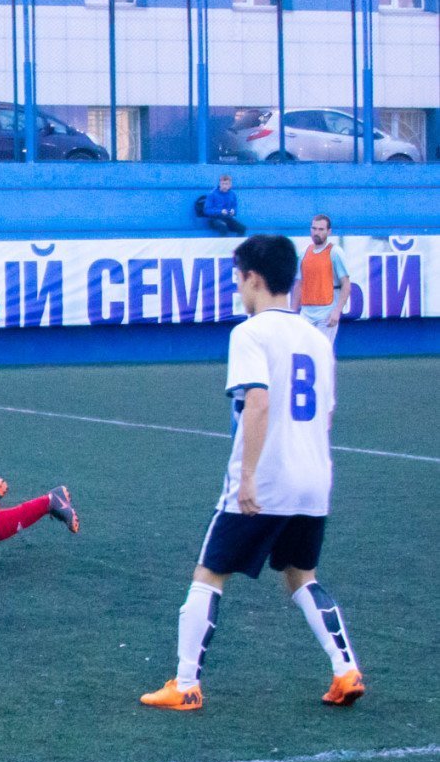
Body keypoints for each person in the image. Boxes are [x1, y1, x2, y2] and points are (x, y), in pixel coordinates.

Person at [141, 234, 364, 712]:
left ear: (254, 279)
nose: (237, 288)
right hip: (314, 479)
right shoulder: (317, 339)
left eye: (238, 279)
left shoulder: (250, 333)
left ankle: (185, 684)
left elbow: (258, 402)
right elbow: (326, 415)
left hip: (267, 478)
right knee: (302, 576)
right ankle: (345, 669)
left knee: (208, 573)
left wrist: (247, 477)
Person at [298, 214, 350, 344]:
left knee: (323, 351)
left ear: (329, 231)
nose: (316, 232)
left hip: (326, 314)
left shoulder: (335, 252)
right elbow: (298, 283)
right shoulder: (304, 253)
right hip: (306, 314)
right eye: (314, 228)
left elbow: (346, 284)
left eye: (321, 229)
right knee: (304, 351)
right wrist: (293, 312)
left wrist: (337, 311)